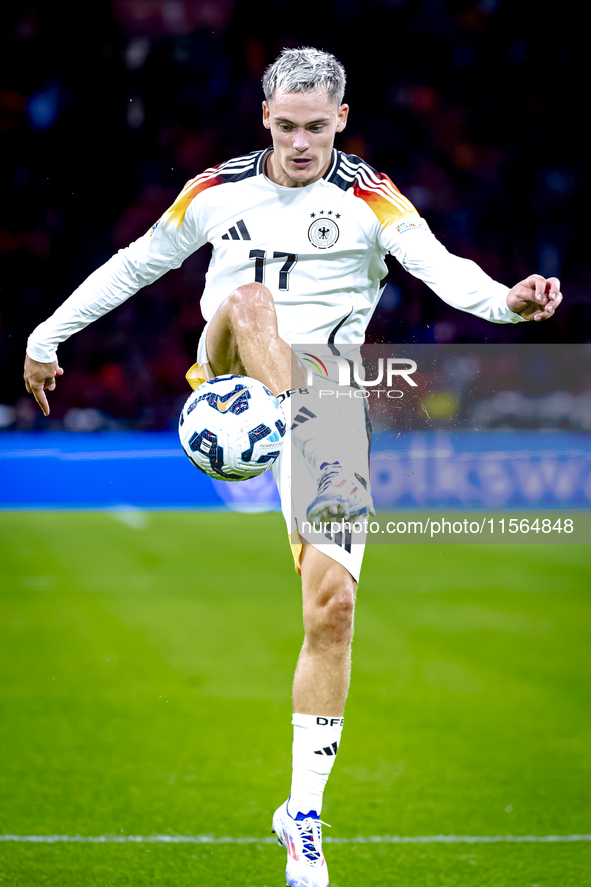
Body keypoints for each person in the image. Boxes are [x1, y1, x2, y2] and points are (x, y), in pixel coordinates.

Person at [23, 46, 562, 887]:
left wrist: (508, 301)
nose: (301, 142)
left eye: (316, 126)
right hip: (234, 369)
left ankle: (301, 816)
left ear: (341, 120)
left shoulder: (369, 199)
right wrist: (45, 335)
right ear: (263, 116)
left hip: (333, 411)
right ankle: (276, 428)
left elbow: (442, 270)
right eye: (286, 125)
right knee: (248, 300)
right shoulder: (216, 190)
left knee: (332, 609)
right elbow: (136, 264)